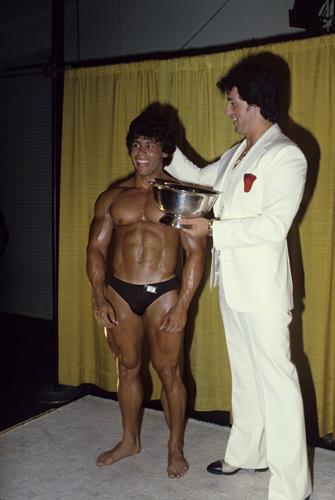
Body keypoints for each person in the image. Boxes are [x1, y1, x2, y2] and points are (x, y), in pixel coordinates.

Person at [165, 60, 312, 499]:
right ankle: (249, 453)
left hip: (264, 292)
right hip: (232, 286)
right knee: (245, 375)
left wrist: (214, 231)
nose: (228, 110)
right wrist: (164, 143)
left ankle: (292, 486)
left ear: (255, 104)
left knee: (278, 385)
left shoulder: (286, 154)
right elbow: (196, 179)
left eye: (232, 102)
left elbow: (274, 226)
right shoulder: (238, 154)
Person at [86, 112, 206, 478]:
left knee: (169, 371)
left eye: (150, 145)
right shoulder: (112, 196)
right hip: (121, 290)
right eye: (136, 144)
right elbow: (96, 249)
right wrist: (98, 297)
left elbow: (197, 253)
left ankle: (174, 447)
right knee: (127, 367)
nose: (142, 152)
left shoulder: (177, 195)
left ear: (164, 152)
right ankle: (129, 440)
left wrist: (184, 304)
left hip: (164, 292)